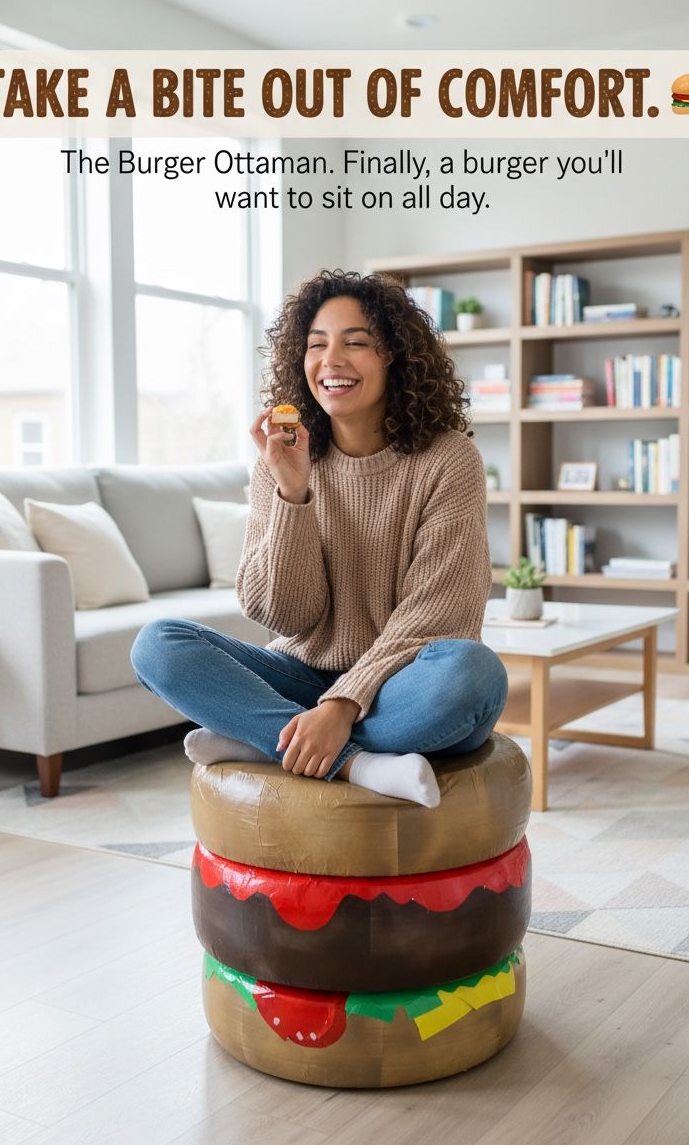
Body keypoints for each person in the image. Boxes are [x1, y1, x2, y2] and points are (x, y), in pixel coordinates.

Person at [131, 270, 507, 808]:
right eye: (317, 344)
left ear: (398, 358)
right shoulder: (281, 460)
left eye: (356, 342)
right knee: (158, 645)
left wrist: (343, 705)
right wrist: (293, 493)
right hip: (303, 676)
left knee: (474, 675)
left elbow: (440, 616)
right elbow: (283, 613)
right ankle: (355, 763)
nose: (331, 360)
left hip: (400, 689)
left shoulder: (448, 459)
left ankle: (268, 741)